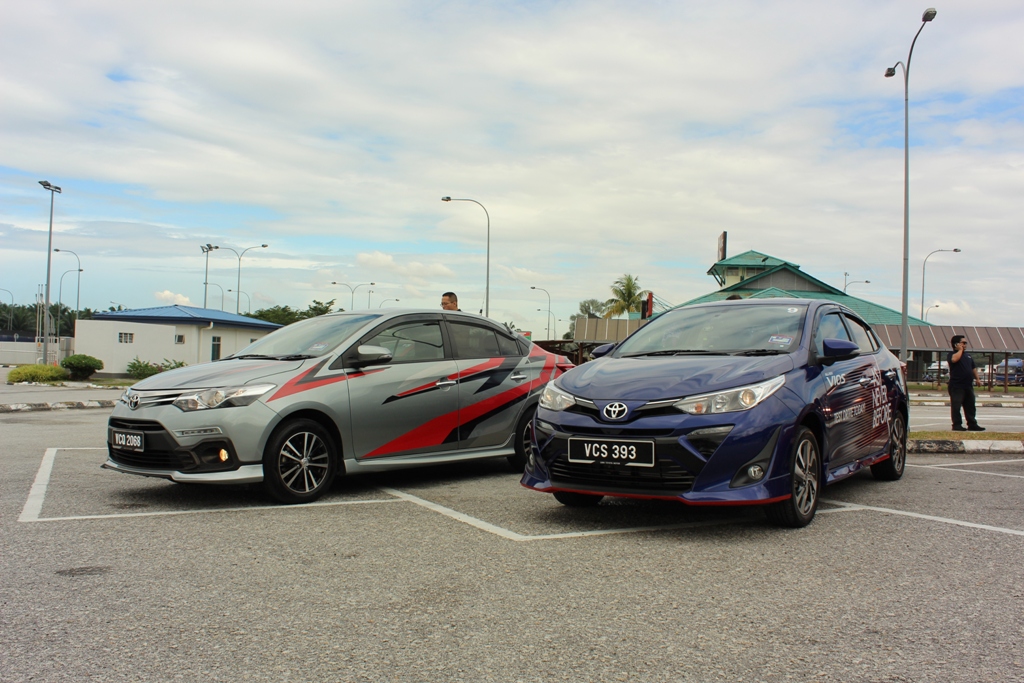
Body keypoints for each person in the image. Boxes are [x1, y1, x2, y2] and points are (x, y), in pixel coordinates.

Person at [947, 334, 984, 432]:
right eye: (963, 343)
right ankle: (957, 425)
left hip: (968, 385)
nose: (965, 344)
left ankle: (972, 424)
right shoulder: (952, 354)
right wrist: (960, 350)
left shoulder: (968, 356)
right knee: (956, 406)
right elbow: (954, 360)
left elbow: (973, 368)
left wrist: (977, 379)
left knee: (970, 406)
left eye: (965, 343)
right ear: (956, 344)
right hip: (957, 385)